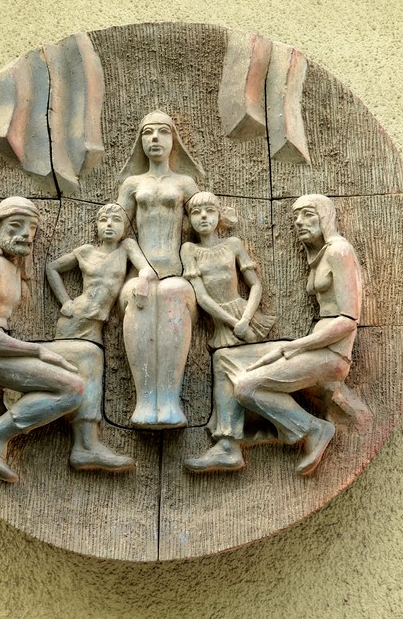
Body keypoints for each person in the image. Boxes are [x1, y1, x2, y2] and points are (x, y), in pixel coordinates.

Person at [185, 194, 370, 475]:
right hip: (315, 346)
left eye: (308, 214)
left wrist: (297, 346)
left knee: (247, 387)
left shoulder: (339, 251)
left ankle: (313, 429)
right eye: (296, 217)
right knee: (223, 358)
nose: (299, 222)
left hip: (331, 354)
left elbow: (347, 321)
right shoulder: (321, 254)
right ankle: (227, 446)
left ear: (325, 217)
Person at [0, 196, 134, 483]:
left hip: (5, 348)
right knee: (73, 389)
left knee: (88, 353)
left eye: (31, 228)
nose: (25, 234)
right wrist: (38, 352)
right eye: (16, 226)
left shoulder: (11, 265)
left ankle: (86, 445)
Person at [116, 111, 203, 428]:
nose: (155, 138)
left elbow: (204, 217)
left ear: (173, 140)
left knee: (172, 292)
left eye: (163, 131)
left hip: (176, 275)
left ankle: (169, 401)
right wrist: (139, 269)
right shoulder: (132, 184)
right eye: (147, 132)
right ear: (140, 142)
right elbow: (118, 228)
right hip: (140, 276)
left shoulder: (185, 183)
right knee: (139, 296)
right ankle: (144, 401)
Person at [45, 203, 157, 345]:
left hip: (96, 322)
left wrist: (143, 281)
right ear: (97, 225)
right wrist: (65, 301)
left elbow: (147, 269)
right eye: (103, 220)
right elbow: (52, 268)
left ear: (125, 227)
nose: (109, 224)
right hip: (74, 316)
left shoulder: (126, 247)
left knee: (90, 357)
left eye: (116, 219)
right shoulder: (86, 251)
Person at [180, 191, 276, 349]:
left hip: (247, 314)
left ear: (219, 215)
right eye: (196, 212)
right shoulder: (189, 249)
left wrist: (245, 319)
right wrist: (235, 323)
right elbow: (202, 297)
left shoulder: (233, 244)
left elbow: (255, 285)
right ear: (189, 219)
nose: (203, 216)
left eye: (210, 210)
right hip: (222, 321)